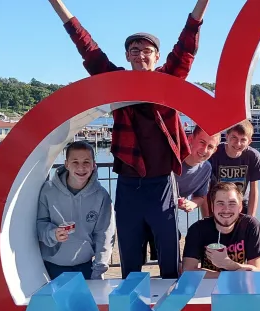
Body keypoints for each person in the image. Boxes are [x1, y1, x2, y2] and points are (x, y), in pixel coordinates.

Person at [48, 0, 211, 279]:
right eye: (134, 51)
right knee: (130, 255)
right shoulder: (116, 83)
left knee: (169, 255)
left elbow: (187, 46)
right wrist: (58, 5)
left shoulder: (168, 80)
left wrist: (202, 4)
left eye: (147, 51)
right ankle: (132, 303)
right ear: (127, 56)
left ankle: (169, 302)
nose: (141, 55)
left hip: (161, 183)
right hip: (128, 183)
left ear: (157, 57)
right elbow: (88, 48)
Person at [37, 141, 115, 281]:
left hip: (85, 267)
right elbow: (39, 224)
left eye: (86, 162)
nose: (81, 167)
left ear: (94, 165)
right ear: (66, 164)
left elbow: (105, 234)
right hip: (51, 266)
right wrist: (53, 233)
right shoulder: (48, 190)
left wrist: (99, 269)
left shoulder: (101, 195)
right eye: (75, 162)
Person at [145, 124, 221, 262]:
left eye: (210, 146)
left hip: (167, 216)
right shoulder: (172, 158)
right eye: (202, 142)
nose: (204, 150)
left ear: (215, 150)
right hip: (146, 209)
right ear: (190, 139)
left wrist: (192, 204)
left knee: (172, 249)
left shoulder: (206, 168)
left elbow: (201, 197)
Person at [182, 182, 260, 278]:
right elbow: (188, 270)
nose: (226, 209)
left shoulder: (250, 226)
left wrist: (227, 264)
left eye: (232, 203)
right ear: (212, 206)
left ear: (240, 207)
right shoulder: (198, 229)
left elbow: (256, 271)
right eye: (220, 203)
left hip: (239, 283)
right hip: (208, 284)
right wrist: (226, 276)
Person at [208, 120, 260, 216]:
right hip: (218, 206)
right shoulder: (215, 154)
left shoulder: (253, 156)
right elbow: (206, 188)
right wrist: (208, 217)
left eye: (243, 140)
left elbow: (254, 190)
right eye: (234, 137)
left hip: (241, 205)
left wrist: (250, 217)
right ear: (226, 136)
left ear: (249, 142)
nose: (238, 143)